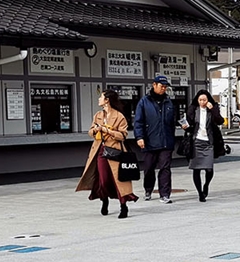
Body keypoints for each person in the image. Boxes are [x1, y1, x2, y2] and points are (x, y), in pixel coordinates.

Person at [76, 88, 138, 219]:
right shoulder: (98, 115)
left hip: (115, 151)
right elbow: (90, 132)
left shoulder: (119, 116)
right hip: (101, 150)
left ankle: (123, 206)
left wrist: (107, 130)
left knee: (119, 181)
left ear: (107, 100)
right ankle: (104, 200)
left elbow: (123, 135)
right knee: (103, 180)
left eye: (101, 97)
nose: (99, 99)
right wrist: (95, 130)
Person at [134, 75, 177, 204]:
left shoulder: (169, 102)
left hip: (165, 141)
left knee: (165, 168)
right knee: (149, 168)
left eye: (165, 87)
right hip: (149, 141)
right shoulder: (144, 102)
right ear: (154, 85)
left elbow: (172, 122)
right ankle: (148, 189)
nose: (163, 89)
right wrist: (139, 137)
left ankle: (165, 194)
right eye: (161, 86)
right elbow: (138, 121)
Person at [183, 89, 226, 202]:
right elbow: (188, 123)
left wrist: (213, 110)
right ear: (197, 100)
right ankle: (200, 193)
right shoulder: (193, 109)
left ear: (208, 100)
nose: (202, 102)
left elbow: (220, 121)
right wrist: (185, 126)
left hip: (208, 142)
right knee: (196, 169)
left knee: (209, 169)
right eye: (200, 100)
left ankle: (206, 185)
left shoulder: (212, 109)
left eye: (204, 100)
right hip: (196, 141)